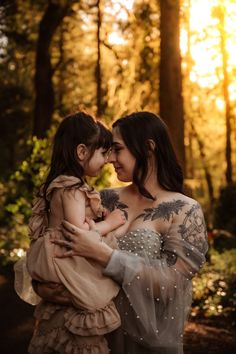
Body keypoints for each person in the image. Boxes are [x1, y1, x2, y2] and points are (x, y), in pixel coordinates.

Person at [18, 112, 208, 354]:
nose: (110, 159)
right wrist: (41, 285)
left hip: (140, 341)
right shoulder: (103, 198)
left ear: (148, 148)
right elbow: (54, 244)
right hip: (86, 333)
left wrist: (104, 256)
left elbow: (173, 283)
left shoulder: (185, 210)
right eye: (106, 152)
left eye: (117, 149)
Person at [23, 112, 126, 354]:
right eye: (102, 152)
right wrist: (110, 223)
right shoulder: (71, 188)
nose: (107, 159)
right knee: (84, 316)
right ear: (81, 152)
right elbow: (78, 233)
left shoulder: (62, 184)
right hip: (68, 261)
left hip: (61, 259)